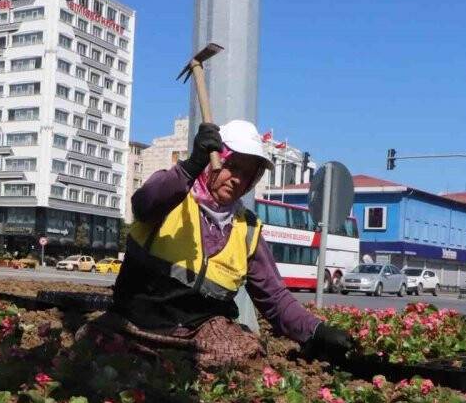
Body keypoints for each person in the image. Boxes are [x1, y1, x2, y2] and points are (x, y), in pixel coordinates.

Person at [101, 120, 353, 368]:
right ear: (213, 162)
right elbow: (144, 203)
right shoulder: (171, 192)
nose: (237, 179)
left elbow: (275, 298)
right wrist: (190, 166)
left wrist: (316, 330)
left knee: (247, 351)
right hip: (136, 325)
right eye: (231, 166)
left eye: (247, 174)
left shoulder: (248, 230)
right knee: (98, 346)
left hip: (198, 337)